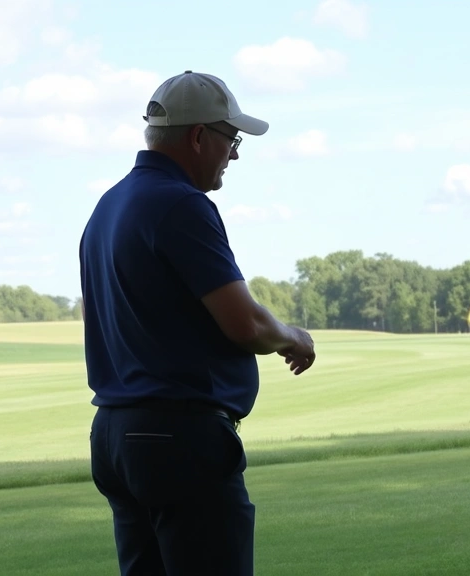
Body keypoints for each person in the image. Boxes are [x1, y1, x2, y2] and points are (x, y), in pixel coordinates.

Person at [79, 70, 316, 576]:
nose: (234, 153)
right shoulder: (182, 203)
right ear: (198, 136)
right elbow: (245, 323)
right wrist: (294, 337)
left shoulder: (109, 205)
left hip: (116, 438)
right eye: (231, 138)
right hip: (178, 441)